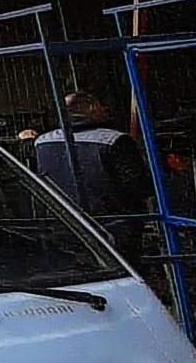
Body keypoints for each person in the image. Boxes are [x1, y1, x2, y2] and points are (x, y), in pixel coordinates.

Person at [33, 90, 154, 263]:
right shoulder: (115, 141)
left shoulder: (41, 143)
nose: (104, 109)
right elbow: (140, 186)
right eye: (98, 105)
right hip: (112, 227)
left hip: (63, 224)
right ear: (88, 108)